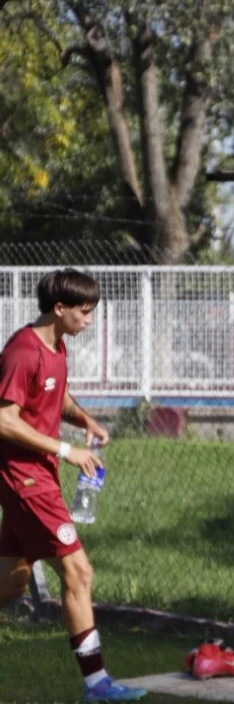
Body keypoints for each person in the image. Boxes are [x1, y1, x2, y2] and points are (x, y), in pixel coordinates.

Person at [0, 269, 147, 703]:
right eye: (84, 312)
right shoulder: (22, 351)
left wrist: (85, 420)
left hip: (38, 475)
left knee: (11, 580)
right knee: (79, 571)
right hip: (24, 478)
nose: (89, 320)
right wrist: (68, 451)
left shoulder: (57, 346)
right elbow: (4, 419)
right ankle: (97, 683)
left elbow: (53, 396)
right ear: (59, 309)